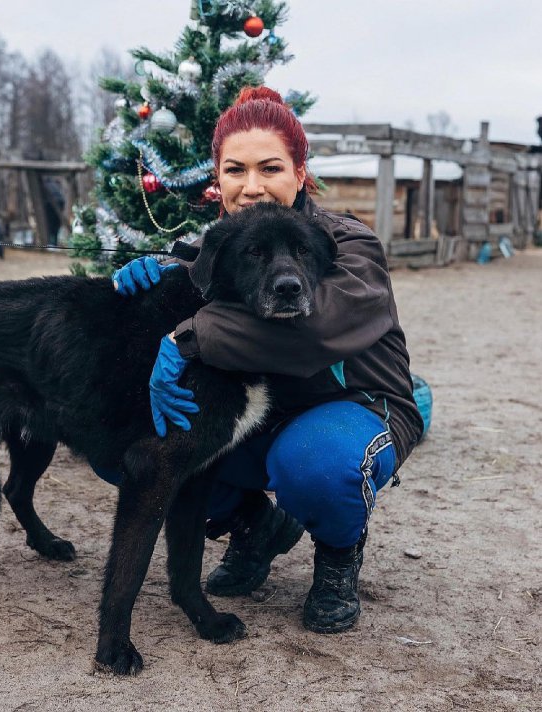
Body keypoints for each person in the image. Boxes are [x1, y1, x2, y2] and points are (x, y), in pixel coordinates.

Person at [112, 86, 424, 634]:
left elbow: (313, 328)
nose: (251, 187)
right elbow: (189, 288)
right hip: (261, 417)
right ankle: (254, 521)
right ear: (218, 177)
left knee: (316, 463)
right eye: (235, 170)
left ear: (301, 172)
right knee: (131, 442)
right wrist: (150, 284)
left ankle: (337, 556)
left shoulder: (349, 244)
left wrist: (186, 336)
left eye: (270, 168)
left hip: (351, 408)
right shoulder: (217, 246)